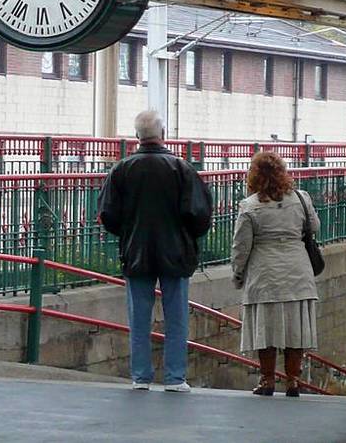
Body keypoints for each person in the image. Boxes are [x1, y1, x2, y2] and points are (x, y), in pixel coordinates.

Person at [98, 110, 213, 392]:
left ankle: (140, 376)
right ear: (163, 134)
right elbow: (199, 214)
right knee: (177, 315)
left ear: (137, 136)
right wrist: (187, 237)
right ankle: (175, 377)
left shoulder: (121, 170)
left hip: (136, 250)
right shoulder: (181, 168)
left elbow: (107, 214)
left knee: (139, 316)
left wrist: (127, 233)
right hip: (176, 251)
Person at [231, 151, 321, 397]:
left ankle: (267, 380)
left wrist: (238, 274)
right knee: (295, 327)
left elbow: (241, 246)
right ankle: (293, 380)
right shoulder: (301, 199)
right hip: (297, 270)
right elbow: (314, 227)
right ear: (283, 172)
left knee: (266, 328)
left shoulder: (249, 206)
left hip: (264, 274)